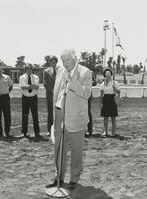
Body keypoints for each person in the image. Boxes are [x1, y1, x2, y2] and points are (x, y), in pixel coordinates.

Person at [46, 49, 92, 190]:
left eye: (68, 60)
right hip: (59, 114)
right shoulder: (60, 71)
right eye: (63, 61)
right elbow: (56, 91)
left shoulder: (85, 72)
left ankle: (74, 179)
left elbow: (87, 93)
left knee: (76, 151)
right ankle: (58, 177)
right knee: (59, 148)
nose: (65, 64)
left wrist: (72, 82)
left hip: (76, 117)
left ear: (75, 59)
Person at [19, 64, 41, 138]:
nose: (29, 69)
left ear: (32, 69)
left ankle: (37, 133)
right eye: (27, 68)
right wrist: (32, 86)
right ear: (25, 69)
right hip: (25, 98)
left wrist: (27, 86)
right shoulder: (22, 77)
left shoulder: (36, 77)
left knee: (35, 115)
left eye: (30, 68)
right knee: (25, 115)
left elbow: (37, 87)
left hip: (33, 98)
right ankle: (24, 132)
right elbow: (22, 87)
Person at [100, 68, 121, 137]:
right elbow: (101, 94)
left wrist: (115, 90)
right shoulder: (103, 83)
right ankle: (105, 131)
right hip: (105, 99)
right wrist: (101, 103)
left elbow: (118, 92)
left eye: (109, 73)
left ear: (111, 74)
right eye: (106, 74)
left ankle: (113, 132)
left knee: (113, 117)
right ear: (104, 75)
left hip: (112, 99)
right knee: (105, 117)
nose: (108, 75)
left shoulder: (115, 83)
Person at [43, 56, 58, 136]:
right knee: (50, 114)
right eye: (51, 62)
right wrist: (52, 91)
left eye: (54, 62)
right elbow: (45, 83)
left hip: (59, 96)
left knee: (59, 113)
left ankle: (58, 129)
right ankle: (49, 130)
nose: (53, 63)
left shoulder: (61, 70)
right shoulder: (46, 71)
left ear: (56, 62)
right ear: (49, 62)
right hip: (50, 96)